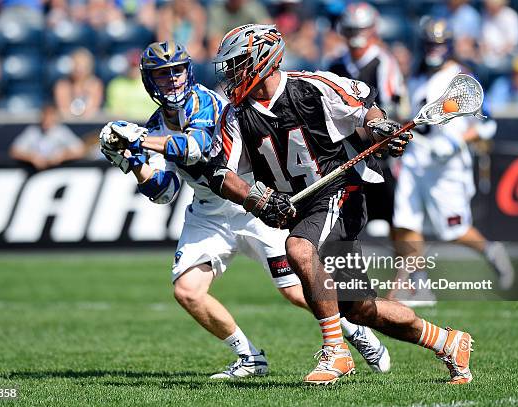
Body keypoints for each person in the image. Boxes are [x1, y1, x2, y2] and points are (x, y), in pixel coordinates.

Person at [99, 40, 390, 380]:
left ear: (189, 72)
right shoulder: (154, 126)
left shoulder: (206, 103)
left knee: (295, 290)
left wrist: (138, 140)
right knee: (187, 291)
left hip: (253, 200)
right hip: (208, 212)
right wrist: (130, 161)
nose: (173, 80)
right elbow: (165, 191)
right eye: (163, 75)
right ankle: (249, 357)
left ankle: (353, 331)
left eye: (177, 71)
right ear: (150, 81)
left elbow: (198, 150)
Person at [202, 24, 474, 385]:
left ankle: (336, 352)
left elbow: (365, 111)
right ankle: (449, 342)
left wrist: (379, 130)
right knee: (359, 308)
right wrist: (257, 200)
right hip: (301, 206)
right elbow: (222, 175)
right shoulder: (236, 114)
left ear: (263, 59)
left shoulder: (311, 86)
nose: (233, 74)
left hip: (339, 192)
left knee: (297, 249)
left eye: (238, 63)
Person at [390, 19, 515, 305]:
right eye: (430, 44)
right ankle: (418, 285)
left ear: (447, 45)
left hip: (447, 166)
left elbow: (487, 124)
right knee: (405, 221)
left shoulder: (460, 78)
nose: (434, 50)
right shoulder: (416, 77)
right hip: (416, 158)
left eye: (439, 44)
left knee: (453, 230)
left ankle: (491, 250)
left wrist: (457, 141)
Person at [327, 2, 408, 232]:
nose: (355, 36)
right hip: (343, 149)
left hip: (378, 150)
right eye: (351, 30)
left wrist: (367, 128)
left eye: (360, 29)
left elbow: (392, 109)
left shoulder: (384, 62)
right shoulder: (335, 64)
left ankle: (406, 266)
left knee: (392, 219)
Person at [9, 104, 84, 170]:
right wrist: (32, 158)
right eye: (45, 117)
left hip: (58, 173)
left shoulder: (62, 132)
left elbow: (80, 150)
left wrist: (62, 156)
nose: (46, 121)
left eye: (50, 117)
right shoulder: (33, 131)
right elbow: (14, 151)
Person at [105, 49, 158, 120]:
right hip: (126, 126)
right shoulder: (116, 84)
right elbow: (115, 112)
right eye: (132, 65)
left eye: (136, 65)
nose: (134, 69)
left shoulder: (152, 83)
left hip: (152, 123)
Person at [54, 48, 104, 119]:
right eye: (76, 64)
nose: (79, 69)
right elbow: (64, 111)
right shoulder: (62, 85)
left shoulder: (95, 85)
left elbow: (91, 112)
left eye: (83, 65)